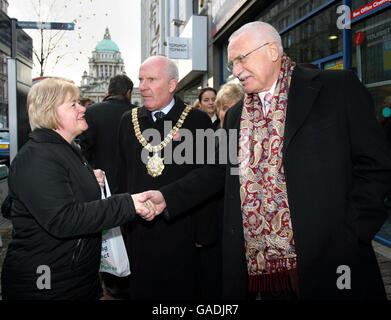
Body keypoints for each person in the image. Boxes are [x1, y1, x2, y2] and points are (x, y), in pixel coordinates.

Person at [139, 21, 391, 300]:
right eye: (232, 63)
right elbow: (217, 171)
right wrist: (168, 197)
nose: (235, 71)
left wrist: (354, 232)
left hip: (334, 260)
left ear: (272, 50)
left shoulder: (336, 88)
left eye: (241, 59)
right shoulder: (236, 115)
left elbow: (375, 164)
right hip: (267, 272)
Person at [0, 78, 155, 300]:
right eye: (73, 104)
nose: (83, 108)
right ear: (50, 112)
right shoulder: (39, 157)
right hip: (46, 282)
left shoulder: (67, 150)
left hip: (74, 277)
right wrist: (128, 203)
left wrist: (86, 180)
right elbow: (63, 218)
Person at [115, 55, 218, 300]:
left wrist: (204, 233)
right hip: (139, 234)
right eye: (141, 79)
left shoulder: (197, 120)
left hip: (182, 232)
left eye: (151, 79)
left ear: (172, 85)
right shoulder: (127, 121)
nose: (143, 86)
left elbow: (211, 177)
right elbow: (122, 175)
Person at [78, 74, 136, 299]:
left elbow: (84, 150)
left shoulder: (91, 113)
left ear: (108, 90)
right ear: (129, 92)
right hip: (131, 185)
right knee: (129, 235)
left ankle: (111, 282)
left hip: (101, 186)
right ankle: (129, 278)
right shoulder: (136, 114)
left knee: (105, 237)